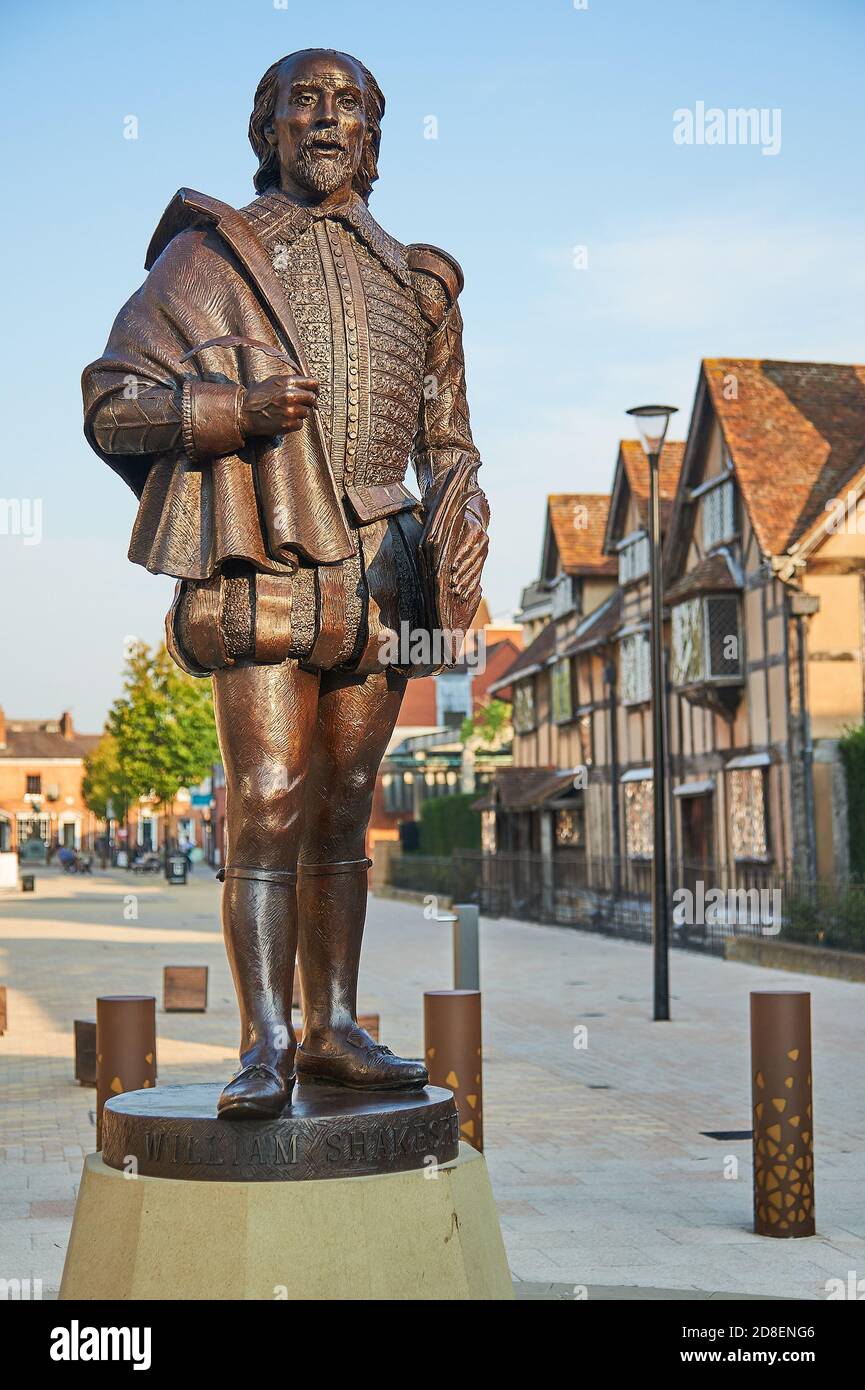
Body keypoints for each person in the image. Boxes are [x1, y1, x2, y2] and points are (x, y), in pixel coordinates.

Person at [83, 49, 488, 1119]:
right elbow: (111, 401)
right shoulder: (209, 260)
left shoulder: (421, 283)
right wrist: (222, 416)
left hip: (384, 573)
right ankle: (263, 1037)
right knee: (265, 799)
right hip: (261, 552)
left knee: (345, 811)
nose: (326, 119)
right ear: (265, 130)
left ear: (374, 140)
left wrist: (463, 504)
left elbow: (447, 440)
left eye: (349, 105)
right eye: (302, 101)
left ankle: (333, 1026)